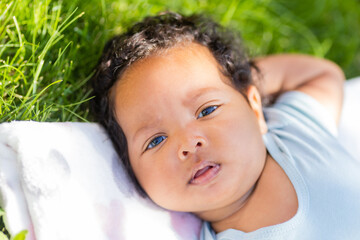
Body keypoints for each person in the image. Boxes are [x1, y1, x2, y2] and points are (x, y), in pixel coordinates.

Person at [91, 12, 360, 239]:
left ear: (255, 109)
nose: (188, 142)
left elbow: (320, 74)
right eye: (156, 140)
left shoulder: (295, 131)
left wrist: (237, 79)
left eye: (207, 110)